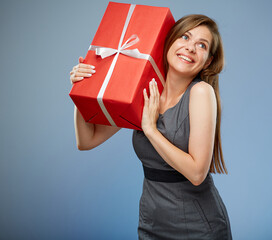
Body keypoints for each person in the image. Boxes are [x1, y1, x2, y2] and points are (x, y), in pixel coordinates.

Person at [70, 14, 232, 240]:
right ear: (170, 41)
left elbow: (197, 173)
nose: (190, 48)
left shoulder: (201, 92)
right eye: (185, 37)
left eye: (201, 45)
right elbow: (87, 141)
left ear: (207, 61)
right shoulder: (143, 91)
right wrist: (83, 90)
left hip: (198, 226)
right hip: (152, 222)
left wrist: (151, 130)